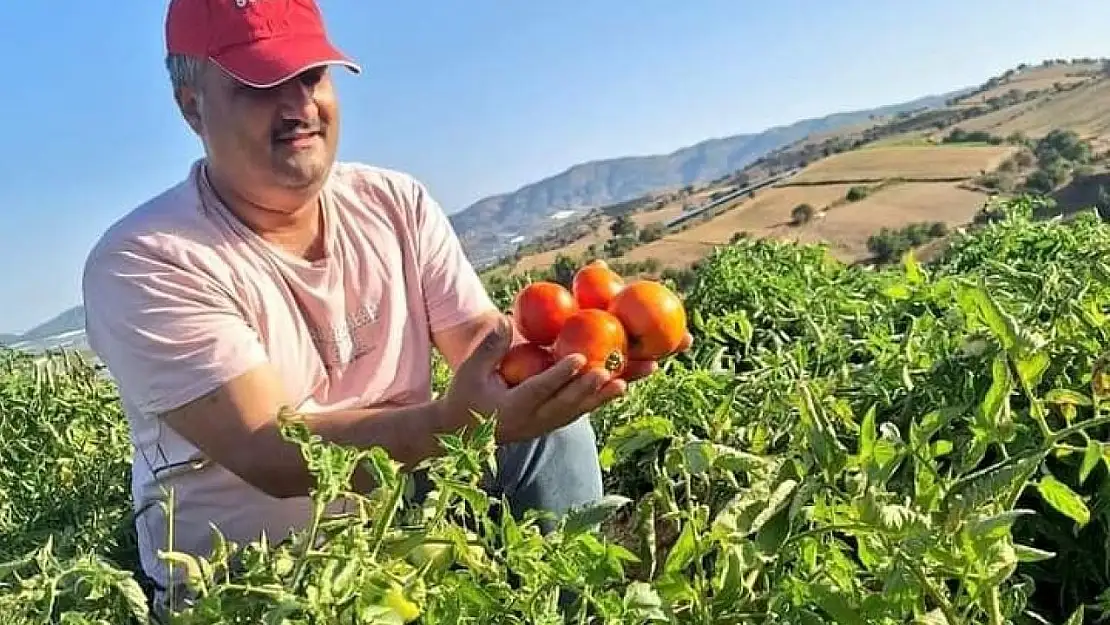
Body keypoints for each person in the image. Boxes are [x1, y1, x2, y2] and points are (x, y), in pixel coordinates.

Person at [81, 0, 690, 615]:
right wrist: (455, 423)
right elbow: (273, 452)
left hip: (406, 526)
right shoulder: (148, 260)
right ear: (192, 106)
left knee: (550, 431)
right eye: (259, 84)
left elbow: (486, 347)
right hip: (259, 585)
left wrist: (584, 351)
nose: (298, 106)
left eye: (311, 75)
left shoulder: (394, 202)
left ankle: (575, 603)